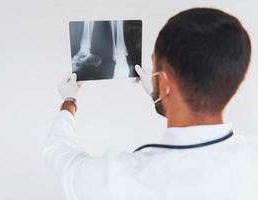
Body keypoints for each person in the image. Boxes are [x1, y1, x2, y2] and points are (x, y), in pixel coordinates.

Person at [43, 8, 258, 200]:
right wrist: (161, 98)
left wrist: (69, 101)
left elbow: (60, 159)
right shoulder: (251, 159)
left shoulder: (121, 179)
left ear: (163, 81)